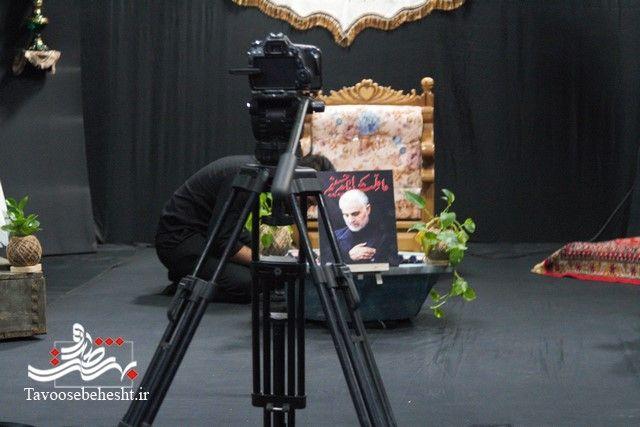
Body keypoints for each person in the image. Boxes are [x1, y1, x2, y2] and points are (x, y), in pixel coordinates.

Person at [155, 154, 334, 303]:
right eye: (309, 202)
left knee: (266, 268)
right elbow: (222, 241)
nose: (308, 209)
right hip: (179, 242)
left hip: (205, 234)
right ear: (295, 182)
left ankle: (192, 273)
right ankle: (187, 281)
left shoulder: (261, 173)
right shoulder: (248, 177)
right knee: (251, 283)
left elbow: (230, 229)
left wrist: (299, 256)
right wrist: (266, 263)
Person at [334, 189, 393, 264]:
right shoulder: (335, 237)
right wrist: (349, 257)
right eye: (346, 215)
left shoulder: (385, 236)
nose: (350, 220)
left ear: (368, 209)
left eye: (355, 214)